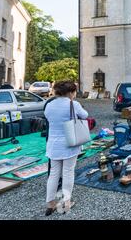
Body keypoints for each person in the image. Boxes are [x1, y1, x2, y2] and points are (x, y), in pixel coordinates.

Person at [44, 81, 88, 216]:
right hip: (69, 143)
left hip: (53, 144)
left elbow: (48, 118)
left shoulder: (49, 105)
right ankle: (65, 203)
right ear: (70, 92)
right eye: (74, 92)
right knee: (68, 172)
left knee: (53, 174)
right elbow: (85, 115)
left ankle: (50, 203)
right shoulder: (73, 104)